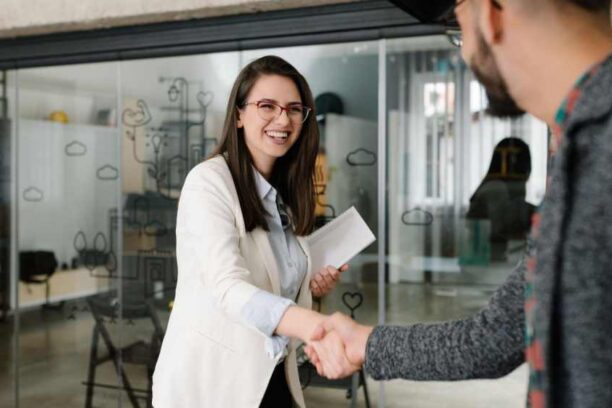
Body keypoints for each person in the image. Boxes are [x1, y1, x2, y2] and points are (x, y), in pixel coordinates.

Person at [306, 1, 612, 407]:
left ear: (490, 12)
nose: (464, 51)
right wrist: (366, 343)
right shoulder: (576, 150)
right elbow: (494, 338)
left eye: (458, 27)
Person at [152, 55, 350, 408]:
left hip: (272, 376)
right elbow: (229, 288)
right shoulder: (208, 182)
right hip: (215, 385)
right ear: (239, 115)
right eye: (267, 106)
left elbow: (274, 287)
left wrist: (311, 285)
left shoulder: (283, 195)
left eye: (293, 109)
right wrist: (313, 325)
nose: (282, 119)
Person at [466, 137, 535, 261]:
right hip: (487, 265)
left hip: (495, 261)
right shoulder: (496, 188)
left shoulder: (496, 187)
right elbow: (502, 227)